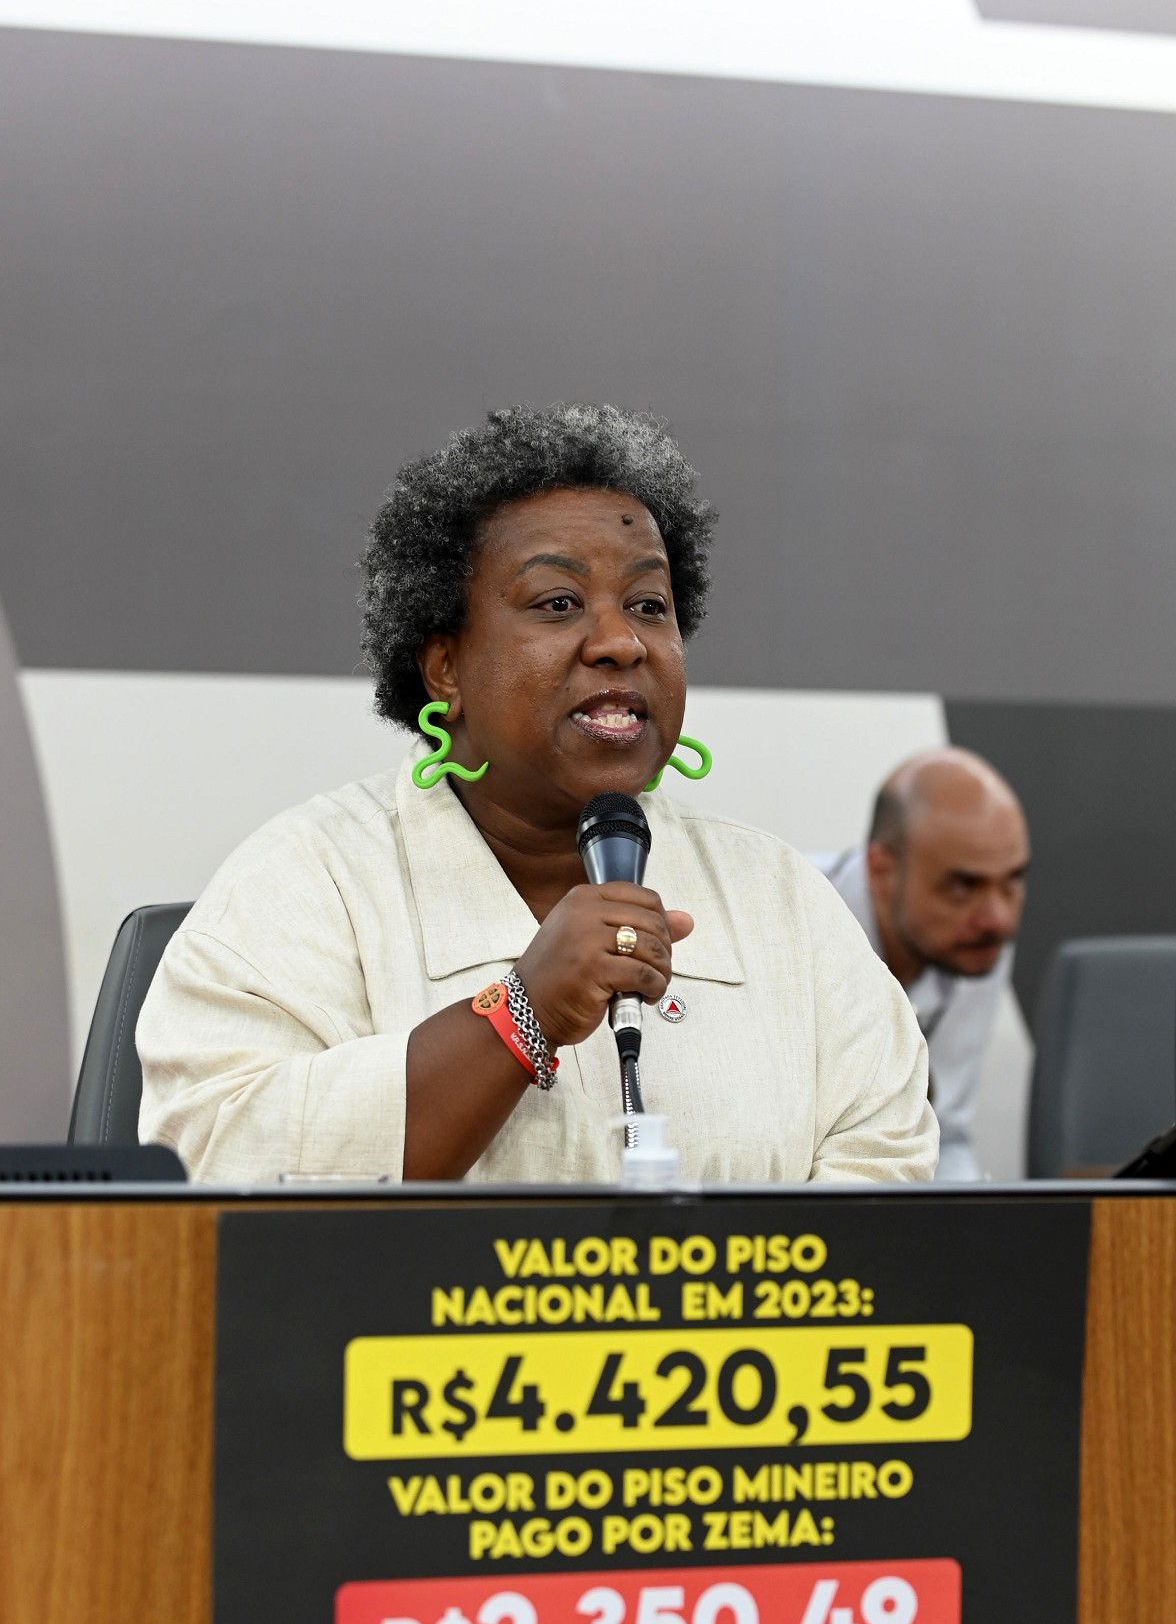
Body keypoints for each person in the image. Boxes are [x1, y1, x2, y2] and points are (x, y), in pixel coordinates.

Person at [138, 405, 936, 1185]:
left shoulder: (780, 899)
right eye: (558, 603)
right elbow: (215, 1161)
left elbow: (888, 1172)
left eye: (649, 606)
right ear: (445, 667)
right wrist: (522, 1014)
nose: (621, 641)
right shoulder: (309, 882)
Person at [819, 750, 1029, 1182]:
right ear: (882, 870)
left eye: (1013, 879)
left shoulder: (974, 940)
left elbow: (944, 1135)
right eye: (963, 885)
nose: (999, 919)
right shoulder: (787, 920)